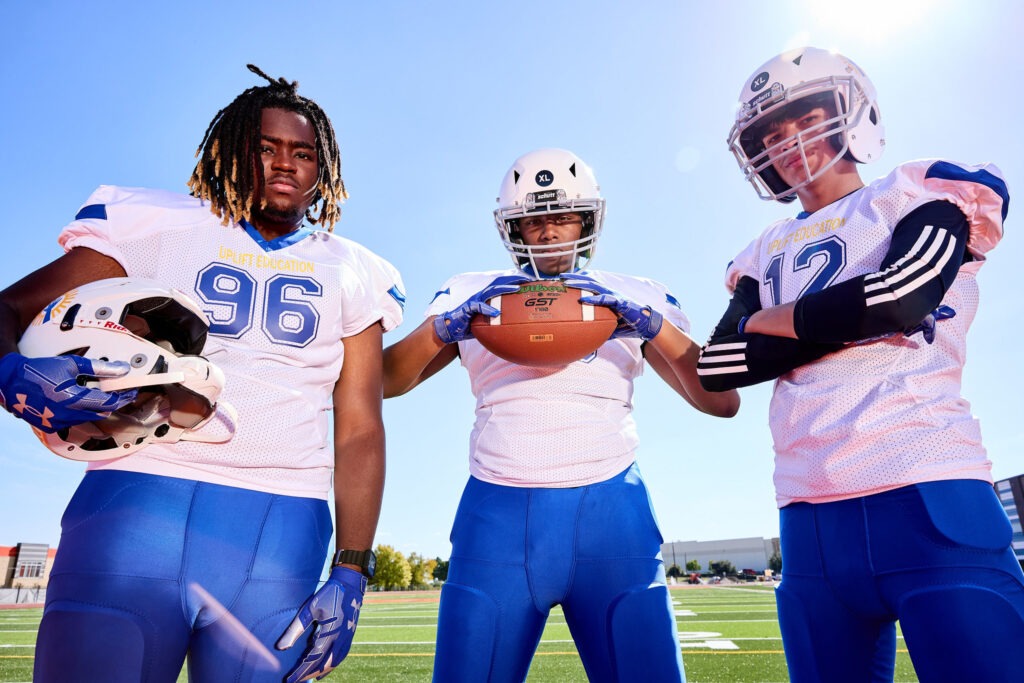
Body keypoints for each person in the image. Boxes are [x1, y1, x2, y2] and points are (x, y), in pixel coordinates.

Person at [0, 65, 404, 682]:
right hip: (136, 500)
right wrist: (11, 372)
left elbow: (358, 426)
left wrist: (352, 566)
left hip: (282, 524)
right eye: (265, 148)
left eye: (302, 153)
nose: (284, 164)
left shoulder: (356, 270)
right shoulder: (155, 223)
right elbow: (9, 309)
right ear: (230, 152)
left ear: (322, 170)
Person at [697, 46, 1024, 682]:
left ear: (852, 111)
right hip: (809, 513)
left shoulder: (916, 191)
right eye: (771, 133)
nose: (789, 141)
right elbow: (719, 364)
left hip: (927, 483)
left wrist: (780, 321)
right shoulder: (759, 252)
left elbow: (904, 295)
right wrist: (851, 318)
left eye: (804, 117)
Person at [383, 148, 739, 682]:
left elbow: (720, 400)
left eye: (562, 215)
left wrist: (649, 325)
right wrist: (443, 328)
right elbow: (385, 381)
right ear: (513, 227)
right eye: (535, 218)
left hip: (613, 514)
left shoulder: (635, 293)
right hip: (496, 514)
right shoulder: (471, 292)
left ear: (588, 219)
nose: (550, 231)